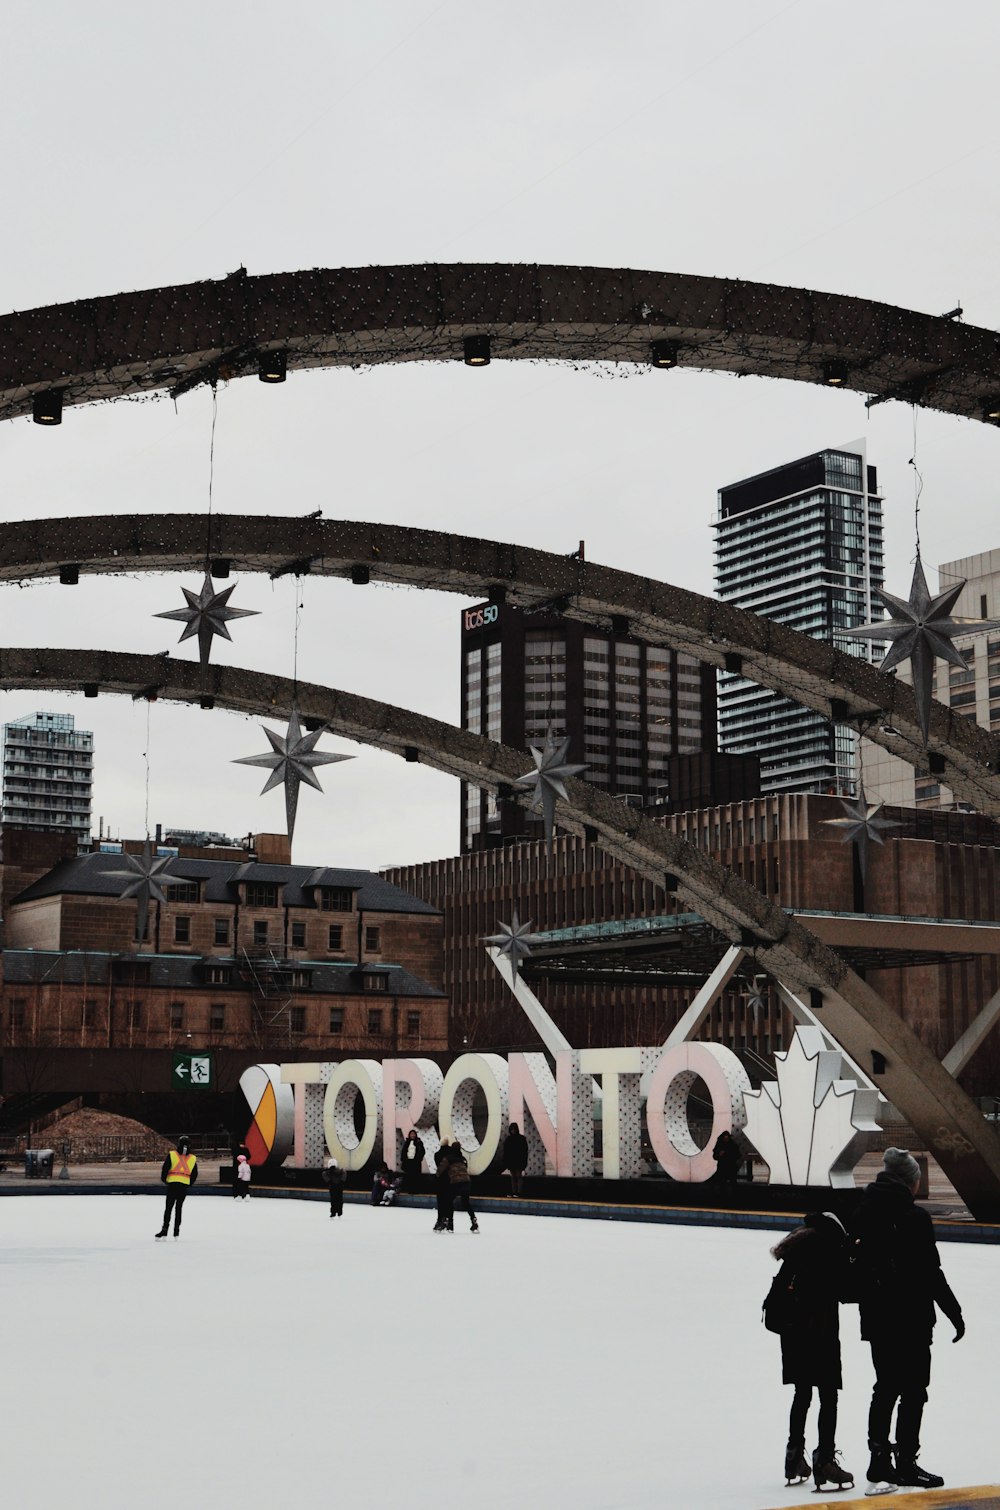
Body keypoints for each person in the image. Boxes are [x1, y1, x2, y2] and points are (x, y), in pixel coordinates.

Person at [850, 1147, 964, 1494]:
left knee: (885, 1387)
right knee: (913, 1390)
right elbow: (931, 1271)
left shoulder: (863, 1211)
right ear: (910, 1182)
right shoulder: (914, 1218)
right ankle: (906, 1463)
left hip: (876, 1317)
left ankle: (879, 1462)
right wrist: (953, 1312)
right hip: (912, 1319)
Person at [767, 1212, 853, 1492]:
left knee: (802, 1394)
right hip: (820, 1333)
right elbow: (846, 1290)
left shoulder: (796, 1250)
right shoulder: (826, 1250)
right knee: (828, 1397)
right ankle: (825, 1460)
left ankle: (793, 1457)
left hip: (793, 1336)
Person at [155, 1134, 198, 1239]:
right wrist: (189, 1182)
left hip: (172, 1184)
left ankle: (164, 1230)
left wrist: (165, 1179)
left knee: (168, 1208)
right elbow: (194, 1173)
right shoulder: (192, 1158)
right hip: (183, 1185)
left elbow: (165, 1168)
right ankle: (176, 1231)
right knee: (179, 1208)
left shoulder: (172, 1154)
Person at [445, 1143, 479, 1234]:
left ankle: (450, 1224)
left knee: (449, 1201)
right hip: (466, 1182)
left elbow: (441, 1169)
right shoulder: (463, 1158)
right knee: (466, 1202)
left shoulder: (448, 1158)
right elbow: (465, 1168)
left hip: (455, 1182)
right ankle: (473, 1221)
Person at [502, 1122, 529, 1197]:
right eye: (512, 1129)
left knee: (517, 1176)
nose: (513, 1131)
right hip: (514, 1161)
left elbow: (524, 1151)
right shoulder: (520, 1139)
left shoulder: (510, 1139)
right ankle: (515, 1192)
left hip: (516, 1161)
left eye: (513, 1129)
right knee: (514, 1177)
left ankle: (518, 1192)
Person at [433, 1138, 453, 1233]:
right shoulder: (452, 1155)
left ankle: (440, 1220)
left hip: (440, 1180)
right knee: (449, 1201)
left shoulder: (437, 1155)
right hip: (450, 1180)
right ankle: (449, 1222)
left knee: (441, 1201)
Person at [400, 1129, 426, 1193]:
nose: (412, 1135)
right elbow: (404, 1151)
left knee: (416, 1176)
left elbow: (422, 1151)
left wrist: (419, 1158)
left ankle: (415, 1190)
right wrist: (403, 1159)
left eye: (414, 1134)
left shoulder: (419, 1142)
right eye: (411, 1134)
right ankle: (409, 1189)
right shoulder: (407, 1142)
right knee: (409, 1176)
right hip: (408, 1161)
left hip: (416, 1162)